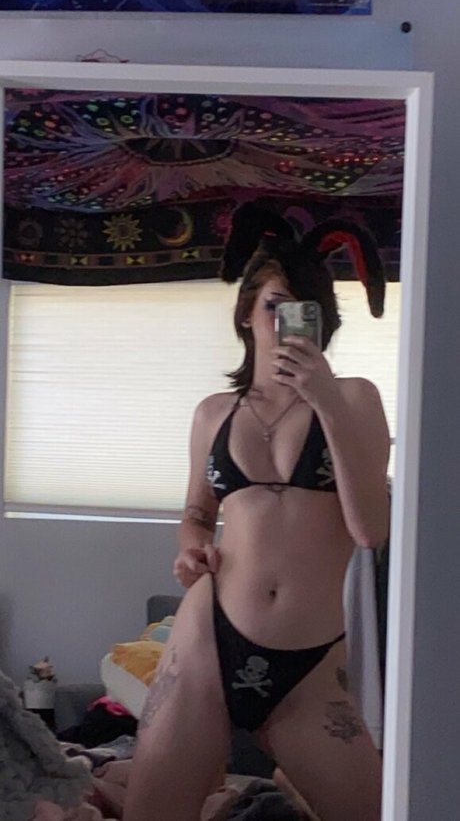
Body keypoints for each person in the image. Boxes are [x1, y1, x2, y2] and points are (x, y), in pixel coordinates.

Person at [123, 203, 390, 821]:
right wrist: (190, 548)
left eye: (303, 308)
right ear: (246, 313)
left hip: (309, 664)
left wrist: (324, 399)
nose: (284, 320)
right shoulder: (213, 414)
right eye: (273, 305)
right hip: (207, 643)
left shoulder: (354, 399)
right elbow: (197, 512)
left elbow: (369, 529)